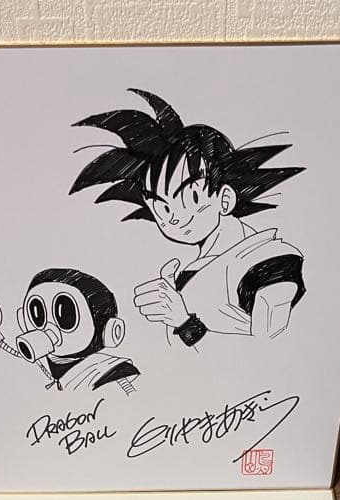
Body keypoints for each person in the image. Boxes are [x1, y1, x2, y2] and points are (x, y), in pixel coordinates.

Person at [70, 89, 306, 346]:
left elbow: (273, 348)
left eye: (190, 198)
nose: (173, 218)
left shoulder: (268, 262)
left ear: (225, 199)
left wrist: (184, 322)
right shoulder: (196, 266)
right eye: (162, 208)